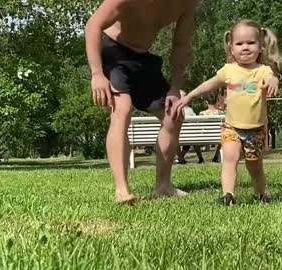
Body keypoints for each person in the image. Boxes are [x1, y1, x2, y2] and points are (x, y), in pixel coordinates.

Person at [85, 0, 199, 204]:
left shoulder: (188, 3)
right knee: (123, 108)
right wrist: (97, 74)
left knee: (173, 114)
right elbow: (93, 25)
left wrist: (175, 87)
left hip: (142, 58)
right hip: (112, 50)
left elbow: (181, 44)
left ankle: (163, 186)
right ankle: (122, 190)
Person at [175, 19, 281, 206]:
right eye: (239, 44)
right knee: (230, 159)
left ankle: (261, 195)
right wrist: (189, 96)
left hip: (255, 130)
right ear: (231, 48)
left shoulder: (263, 70)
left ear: (260, 47)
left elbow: (271, 78)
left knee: (254, 166)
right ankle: (228, 195)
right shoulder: (228, 70)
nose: (245, 47)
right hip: (231, 126)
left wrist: (274, 81)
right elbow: (208, 84)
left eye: (250, 43)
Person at [176, 90, 204, 164]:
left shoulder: (175, 110)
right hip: (190, 135)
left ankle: (181, 158)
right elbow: (196, 121)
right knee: (194, 141)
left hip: (180, 136)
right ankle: (200, 158)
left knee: (187, 140)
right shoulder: (190, 110)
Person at [199, 93, 225, 162]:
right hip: (217, 136)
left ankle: (200, 159)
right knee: (221, 137)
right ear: (217, 101)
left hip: (203, 136)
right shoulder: (221, 113)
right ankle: (216, 156)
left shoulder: (201, 113)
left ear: (206, 102)